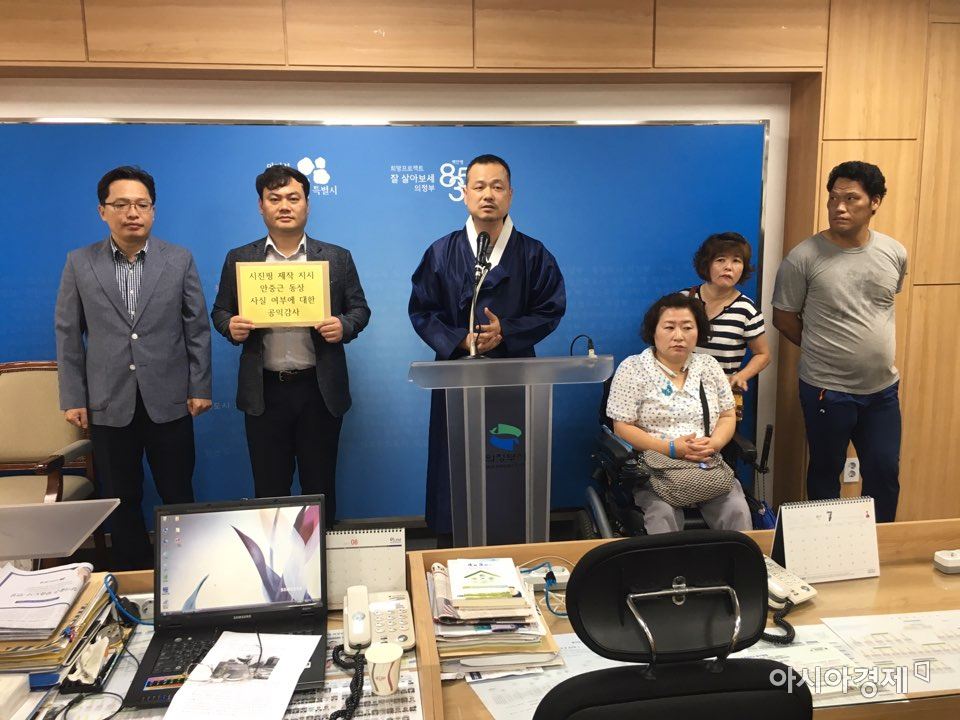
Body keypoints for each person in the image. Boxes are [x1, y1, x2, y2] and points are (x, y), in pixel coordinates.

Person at [55, 165, 212, 570]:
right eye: (121, 204)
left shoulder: (178, 259)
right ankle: (132, 579)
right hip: (108, 402)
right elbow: (68, 334)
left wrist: (200, 386)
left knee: (178, 492)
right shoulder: (79, 263)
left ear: (153, 211)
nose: (132, 213)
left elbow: (197, 328)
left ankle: (188, 572)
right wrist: (73, 397)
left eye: (142, 204)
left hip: (170, 400)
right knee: (122, 498)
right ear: (102, 211)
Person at [408, 154, 566, 542]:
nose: (488, 195)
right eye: (479, 187)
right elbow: (422, 310)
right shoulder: (441, 252)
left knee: (508, 456)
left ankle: (513, 540)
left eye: (497, 186)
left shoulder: (533, 254)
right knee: (453, 462)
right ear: (464, 194)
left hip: (513, 377)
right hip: (456, 376)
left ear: (510, 194)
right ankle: (451, 545)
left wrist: (506, 331)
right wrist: (459, 339)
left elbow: (550, 308)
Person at [211, 165, 370, 527]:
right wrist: (230, 326)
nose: (284, 206)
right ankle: (275, 561)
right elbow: (220, 311)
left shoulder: (336, 257)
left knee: (320, 487)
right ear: (261, 206)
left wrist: (343, 325)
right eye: (275, 198)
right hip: (264, 392)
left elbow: (360, 310)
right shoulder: (240, 258)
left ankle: (320, 557)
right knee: (270, 490)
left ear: (307, 205)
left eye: (293, 198)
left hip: (318, 390)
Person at [772, 161, 906, 523]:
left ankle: (878, 545)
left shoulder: (894, 252)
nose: (839, 207)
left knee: (884, 471)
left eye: (851, 199)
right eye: (833, 198)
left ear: (874, 202)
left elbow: (879, 307)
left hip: (882, 390)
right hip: (826, 389)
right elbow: (784, 318)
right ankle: (825, 549)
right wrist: (823, 348)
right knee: (824, 473)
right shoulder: (803, 258)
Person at [605, 293, 751, 534]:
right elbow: (622, 427)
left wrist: (714, 443)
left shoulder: (709, 366)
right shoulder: (632, 368)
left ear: (698, 331)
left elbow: (727, 415)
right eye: (669, 327)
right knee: (661, 515)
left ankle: (736, 559)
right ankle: (670, 561)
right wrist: (670, 448)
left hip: (705, 463)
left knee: (736, 508)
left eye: (687, 327)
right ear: (654, 331)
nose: (679, 336)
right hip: (654, 467)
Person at [682, 232, 770, 390]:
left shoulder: (747, 310)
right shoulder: (683, 300)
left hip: (720, 393)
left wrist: (740, 376)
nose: (728, 267)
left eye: (736, 261)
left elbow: (763, 355)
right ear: (707, 264)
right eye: (720, 260)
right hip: (679, 391)